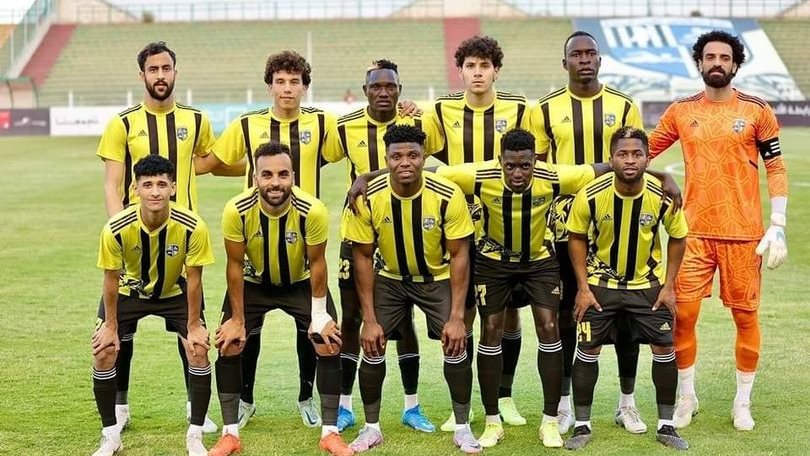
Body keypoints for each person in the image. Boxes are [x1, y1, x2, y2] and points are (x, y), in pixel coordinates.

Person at [434, 128, 612, 448]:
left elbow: (607, 167)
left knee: (549, 328)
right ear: (500, 161)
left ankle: (550, 422)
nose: (517, 173)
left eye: (525, 166)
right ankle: (492, 422)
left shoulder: (553, 176)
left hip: (539, 262)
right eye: (510, 166)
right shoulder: (480, 176)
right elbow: (429, 170)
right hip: (493, 263)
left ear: (535, 162)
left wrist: (663, 177)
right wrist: (366, 178)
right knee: (491, 329)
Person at [648, 30, 789, 431]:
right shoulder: (680, 111)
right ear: (699, 62)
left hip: (744, 234)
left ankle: (742, 402)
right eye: (710, 57)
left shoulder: (757, 110)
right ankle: (686, 397)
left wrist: (778, 223)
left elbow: (776, 167)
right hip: (693, 233)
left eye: (724, 57)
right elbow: (641, 153)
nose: (716, 63)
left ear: (735, 65)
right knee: (683, 316)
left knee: (745, 317)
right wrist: (662, 178)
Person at [197, 50, 337, 429]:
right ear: (269, 86)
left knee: (319, 331)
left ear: (305, 87)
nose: (287, 88)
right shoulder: (247, 125)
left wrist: (406, 111)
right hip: (255, 251)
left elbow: (357, 141)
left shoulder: (322, 122)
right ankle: (244, 400)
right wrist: (166, 164)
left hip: (303, 249)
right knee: (241, 331)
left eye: (294, 82)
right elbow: (213, 163)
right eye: (280, 81)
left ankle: (307, 397)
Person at [527, 30, 652, 435]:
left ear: (600, 60)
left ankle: (627, 403)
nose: (584, 59)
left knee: (626, 314)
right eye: (576, 54)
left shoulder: (624, 104)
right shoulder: (545, 108)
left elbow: (637, 158)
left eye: (591, 53)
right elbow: (539, 170)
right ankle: (565, 404)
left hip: (618, 222)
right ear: (564, 62)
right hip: (566, 226)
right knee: (569, 313)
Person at [95, 41, 218, 434]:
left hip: (182, 244)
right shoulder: (123, 123)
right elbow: (113, 183)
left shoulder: (196, 120)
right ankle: (120, 406)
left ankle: (194, 406)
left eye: (166, 68)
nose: (160, 75)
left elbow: (210, 160)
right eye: (153, 69)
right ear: (142, 75)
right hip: (134, 245)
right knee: (118, 332)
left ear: (175, 72)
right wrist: (121, 233)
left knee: (192, 329)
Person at [207, 141, 353, 456]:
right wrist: (237, 319)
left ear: (293, 176)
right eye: (267, 175)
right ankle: (230, 434)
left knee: (329, 341)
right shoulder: (237, 210)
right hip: (253, 282)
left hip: (300, 282)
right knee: (229, 342)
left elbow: (318, 263)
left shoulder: (312, 210)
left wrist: (319, 315)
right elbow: (235, 265)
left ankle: (330, 433)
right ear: (255, 178)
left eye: (283, 174)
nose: (275, 182)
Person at [343, 125, 480, 454]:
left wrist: (457, 317)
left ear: (424, 156)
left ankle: (462, 428)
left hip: (437, 278)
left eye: (413, 155)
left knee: (456, 342)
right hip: (390, 279)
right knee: (372, 343)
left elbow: (460, 255)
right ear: (386, 159)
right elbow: (363, 258)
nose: (405, 162)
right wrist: (369, 319)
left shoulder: (447, 194)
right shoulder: (368, 197)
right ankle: (371, 428)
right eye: (397, 156)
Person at [323, 59, 438, 433]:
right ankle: (344, 405)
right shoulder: (345, 127)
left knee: (403, 320)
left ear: (400, 90)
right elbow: (312, 159)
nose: (384, 92)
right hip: (357, 234)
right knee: (352, 318)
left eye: (390, 86)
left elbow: (439, 166)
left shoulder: (415, 122)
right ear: (365, 90)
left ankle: (411, 406)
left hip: (403, 235)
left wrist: (368, 175)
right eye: (376, 86)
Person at [425, 35, 531, 431]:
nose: (478, 73)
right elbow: (419, 149)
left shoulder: (519, 108)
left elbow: (533, 158)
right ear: (461, 71)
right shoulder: (442, 109)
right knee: (462, 311)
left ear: (496, 70)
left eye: (485, 66)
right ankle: (464, 404)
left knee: (508, 314)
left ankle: (504, 396)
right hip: (458, 223)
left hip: (507, 222)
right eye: (470, 66)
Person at [564, 127, 689, 451]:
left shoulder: (663, 196)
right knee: (588, 349)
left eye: (637, 154)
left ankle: (666, 426)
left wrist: (669, 286)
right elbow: (576, 238)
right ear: (611, 159)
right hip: (600, 286)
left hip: (648, 287)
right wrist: (582, 288)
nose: (630, 160)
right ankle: (582, 425)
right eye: (623, 154)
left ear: (648, 159)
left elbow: (678, 238)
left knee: (663, 348)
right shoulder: (591, 194)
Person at [90, 155, 214, 456]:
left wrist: (194, 325)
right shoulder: (116, 228)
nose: (155, 192)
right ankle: (110, 435)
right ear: (135, 189)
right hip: (128, 292)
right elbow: (111, 278)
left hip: (174, 292)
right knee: (104, 351)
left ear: (173, 187)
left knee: (198, 349)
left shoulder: (193, 226)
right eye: (147, 185)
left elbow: (194, 279)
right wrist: (110, 326)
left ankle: (195, 434)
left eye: (161, 184)